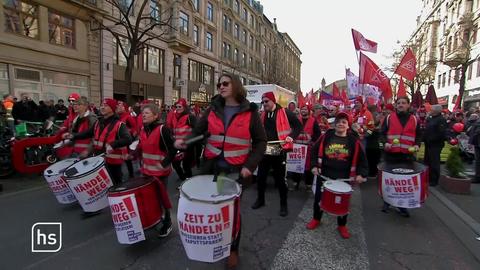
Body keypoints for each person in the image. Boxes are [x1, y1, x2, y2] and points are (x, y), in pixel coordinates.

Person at [175, 73, 266, 269]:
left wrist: (249, 166)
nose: (221, 87)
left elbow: (261, 142)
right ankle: (215, 243)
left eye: (225, 83)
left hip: (233, 172)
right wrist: (185, 142)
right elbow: (198, 133)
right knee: (210, 209)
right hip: (210, 168)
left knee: (229, 213)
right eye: (219, 84)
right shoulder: (212, 110)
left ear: (236, 86)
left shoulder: (250, 112)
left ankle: (232, 249)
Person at [308, 112, 368, 238]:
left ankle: (342, 225)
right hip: (324, 175)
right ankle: (316, 219)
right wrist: (314, 166)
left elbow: (363, 160)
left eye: (344, 122)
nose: (340, 124)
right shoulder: (326, 137)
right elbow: (314, 151)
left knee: (343, 202)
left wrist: (361, 174)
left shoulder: (353, 141)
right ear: (334, 125)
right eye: (338, 122)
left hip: (344, 176)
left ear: (348, 126)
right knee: (318, 199)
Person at [252, 91, 302, 217]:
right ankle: (260, 200)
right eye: (262, 102)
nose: (264, 104)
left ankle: (283, 205)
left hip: (279, 150)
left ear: (273, 101)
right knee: (261, 177)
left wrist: (291, 136)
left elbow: (298, 126)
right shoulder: (263, 114)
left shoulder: (285, 112)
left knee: (280, 180)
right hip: (266, 150)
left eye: (266, 102)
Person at [65, 98, 132, 185]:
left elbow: (128, 139)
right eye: (101, 105)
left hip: (113, 164)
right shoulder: (98, 122)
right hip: (98, 161)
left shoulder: (119, 124)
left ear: (112, 109)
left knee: (116, 185)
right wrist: (73, 136)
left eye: (106, 106)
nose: (102, 107)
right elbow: (88, 133)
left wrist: (113, 144)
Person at [136, 103, 176, 237]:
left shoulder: (163, 130)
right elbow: (142, 146)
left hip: (160, 173)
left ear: (155, 115)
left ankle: (168, 222)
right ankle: (155, 219)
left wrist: (164, 163)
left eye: (147, 113)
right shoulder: (143, 129)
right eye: (143, 113)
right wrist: (133, 153)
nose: (143, 115)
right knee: (150, 198)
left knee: (162, 198)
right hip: (146, 171)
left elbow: (172, 149)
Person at [381, 96, 421, 217]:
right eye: (399, 103)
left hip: (407, 155)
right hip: (391, 154)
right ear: (396, 105)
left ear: (408, 105)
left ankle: (402, 206)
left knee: (403, 182)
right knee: (390, 180)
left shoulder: (414, 119)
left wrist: (417, 145)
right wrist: (385, 143)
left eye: (403, 103)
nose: (401, 105)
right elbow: (381, 134)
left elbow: (419, 135)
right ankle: (387, 202)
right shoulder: (389, 118)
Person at [292, 103, 320, 190]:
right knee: (296, 166)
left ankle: (308, 185)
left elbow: (318, 134)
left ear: (309, 111)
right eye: (302, 109)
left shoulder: (313, 121)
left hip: (308, 148)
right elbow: (292, 130)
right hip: (297, 147)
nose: (303, 111)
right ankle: (295, 183)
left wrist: (312, 139)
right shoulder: (296, 119)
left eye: (305, 109)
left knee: (308, 167)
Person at [168, 98, 196, 182]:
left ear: (184, 107)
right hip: (178, 145)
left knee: (186, 165)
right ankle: (183, 178)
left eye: (180, 106)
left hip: (188, 145)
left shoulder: (190, 117)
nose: (177, 108)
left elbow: (197, 130)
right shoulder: (176, 117)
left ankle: (189, 181)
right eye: (176, 106)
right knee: (175, 163)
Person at [423, 104, 447, 187]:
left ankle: (434, 180)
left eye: (432, 109)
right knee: (428, 161)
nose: (430, 110)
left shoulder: (441, 120)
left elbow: (441, 133)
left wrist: (431, 139)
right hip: (428, 144)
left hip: (435, 144)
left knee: (434, 162)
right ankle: (428, 178)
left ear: (436, 111)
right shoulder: (431, 119)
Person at [117, 100, 137, 178]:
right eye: (117, 105)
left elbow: (135, 128)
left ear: (124, 108)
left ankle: (131, 175)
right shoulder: (117, 117)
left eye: (120, 105)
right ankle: (119, 174)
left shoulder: (128, 116)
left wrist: (131, 138)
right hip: (119, 140)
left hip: (126, 141)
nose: (118, 106)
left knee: (127, 159)